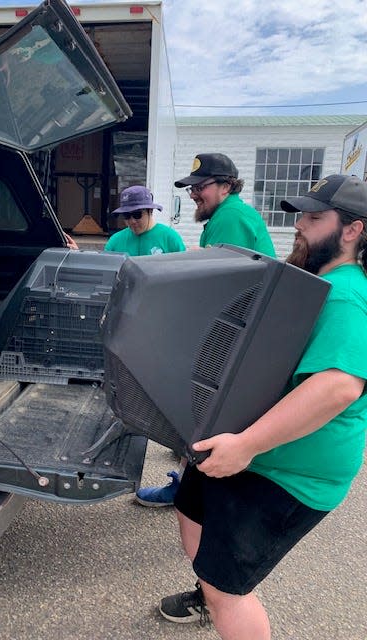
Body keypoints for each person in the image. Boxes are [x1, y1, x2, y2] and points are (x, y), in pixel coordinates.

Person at [157, 174, 367, 639]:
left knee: (228, 590)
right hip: (248, 447)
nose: (299, 226)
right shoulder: (316, 278)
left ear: (352, 231)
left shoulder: (348, 294)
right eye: (301, 217)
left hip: (289, 472)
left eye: (314, 219)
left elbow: (339, 386)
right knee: (190, 509)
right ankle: (210, 590)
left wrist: (247, 445)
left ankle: (220, 595)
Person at [136, 153, 275, 507]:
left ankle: (189, 493)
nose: (195, 193)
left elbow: (226, 288)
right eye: (192, 188)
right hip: (242, 329)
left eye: (202, 186)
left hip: (236, 334)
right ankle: (190, 480)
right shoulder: (228, 216)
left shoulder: (230, 218)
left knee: (201, 410)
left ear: (226, 186)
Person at [104, 185, 186, 256]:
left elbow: (183, 269)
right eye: (127, 215)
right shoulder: (115, 240)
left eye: (137, 214)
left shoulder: (170, 238)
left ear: (150, 211)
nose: (132, 221)